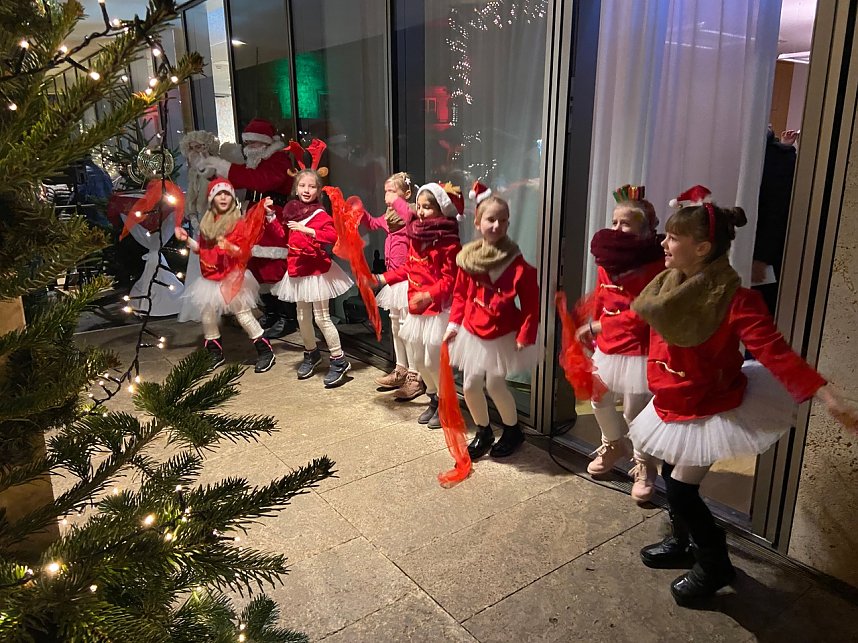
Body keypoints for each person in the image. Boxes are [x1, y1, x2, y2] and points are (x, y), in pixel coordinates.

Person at [628, 185, 858, 606]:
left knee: (681, 489)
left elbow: (774, 350)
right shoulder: (667, 285)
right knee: (666, 471)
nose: (664, 242)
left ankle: (714, 563)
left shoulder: (736, 299)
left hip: (710, 407)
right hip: (672, 400)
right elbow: (640, 323)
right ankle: (682, 542)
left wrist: (824, 392)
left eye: (673, 238)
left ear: (702, 247)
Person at [575, 185, 665, 501]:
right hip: (609, 343)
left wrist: (602, 323)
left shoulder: (656, 267)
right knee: (598, 398)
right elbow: (602, 296)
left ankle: (645, 465)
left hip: (640, 347)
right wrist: (593, 327)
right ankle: (614, 444)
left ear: (646, 230)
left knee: (634, 410)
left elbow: (644, 313)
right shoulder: (608, 260)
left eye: (625, 224)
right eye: (614, 222)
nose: (616, 229)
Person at [443, 182, 539, 458]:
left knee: (495, 384)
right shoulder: (468, 259)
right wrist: (454, 324)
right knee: (471, 385)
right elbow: (460, 295)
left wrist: (525, 335)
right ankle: (483, 430)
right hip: (474, 330)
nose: (496, 225)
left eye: (503, 220)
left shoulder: (519, 266)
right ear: (477, 222)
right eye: (490, 219)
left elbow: (531, 306)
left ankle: (512, 430)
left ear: (509, 223)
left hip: (502, 333)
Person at [375, 182, 463, 428]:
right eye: (420, 207)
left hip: (437, 310)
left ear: (441, 210)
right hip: (417, 309)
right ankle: (434, 399)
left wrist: (428, 295)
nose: (422, 212)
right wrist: (383, 278)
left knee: (434, 361)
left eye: (428, 208)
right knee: (421, 362)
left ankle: (446, 403)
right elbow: (408, 268)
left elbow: (451, 280)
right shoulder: (415, 235)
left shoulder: (449, 242)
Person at [200, 119, 297, 339]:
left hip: (273, 217)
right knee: (258, 266)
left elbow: (261, 181)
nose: (250, 147)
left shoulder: (278, 160)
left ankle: (287, 317)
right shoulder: (256, 161)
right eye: (248, 143)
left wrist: (225, 167)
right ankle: (271, 312)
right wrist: (214, 173)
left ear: (266, 142)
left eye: (255, 142)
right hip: (253, 217)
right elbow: (242, 179)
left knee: (276, 268)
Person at [174, 179, 275, 374]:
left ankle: (265, 350)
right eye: (218, 194)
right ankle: (214, 353)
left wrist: (229, 247)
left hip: (232, 278)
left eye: (227, 194)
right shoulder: (207, 224)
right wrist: (187, 240)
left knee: (243, 315)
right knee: (208, 316)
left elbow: (243, 252)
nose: (223, 197)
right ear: (211, 199)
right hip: (210, 278)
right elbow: (200, 250)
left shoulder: (237, 223)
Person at [272, 169, 354, 387]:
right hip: (297, 270)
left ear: (318, 190)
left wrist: (307, 230)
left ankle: (338, 359)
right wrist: (271, 220)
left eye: (311, 186)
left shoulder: (320, 214)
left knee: (322, 317)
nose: (307, 190)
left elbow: (332, 236)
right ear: (296, 188)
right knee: (301, 317)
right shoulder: (290, 212)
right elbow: (284, 236)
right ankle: (311, 353)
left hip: (317, 272)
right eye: (302, 186)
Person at [362, 172, 425, 401]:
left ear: (406, 194)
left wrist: (382, 278)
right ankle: (401, 369)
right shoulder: (390, 217)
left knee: (409, 330)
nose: (388, 196)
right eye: (386, 191)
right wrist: (358, 212)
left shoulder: (412, 219)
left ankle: (416, 378)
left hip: (407, 281)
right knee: (396, 326)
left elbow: (414, 260)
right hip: (393, 283)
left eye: (392, 191)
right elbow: (371, 222)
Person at [752, 127, 798, 315]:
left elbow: (776, 213)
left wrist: (762, 257)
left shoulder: (777, 158)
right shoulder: (775, 156)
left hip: (764, 256)